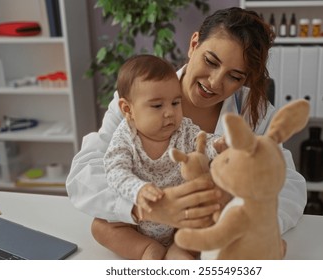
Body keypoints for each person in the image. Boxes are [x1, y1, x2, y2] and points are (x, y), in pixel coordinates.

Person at [66, 7, 307, 259]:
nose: (214, 82)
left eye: (234, 76)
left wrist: (239, 214)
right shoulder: (140, 99)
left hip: (201, 226)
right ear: (194, 45)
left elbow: (288, 185)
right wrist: (144, 208)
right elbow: (85, 172)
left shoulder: (253, 113)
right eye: (211, 62)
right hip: (143, 226)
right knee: (101, 226)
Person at [102, 54, 219, 259]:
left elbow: (203, 142)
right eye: (157, 106)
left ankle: (179, 252)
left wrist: (219, 145)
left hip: (180, 218)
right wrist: (137, 190)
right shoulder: (125, 137)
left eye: (175, 103)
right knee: (100, 225)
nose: (170, 113)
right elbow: (114, 170)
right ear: (128, 109)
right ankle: (147, 250)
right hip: (138, 221)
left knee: (202, 222)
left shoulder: (184, 129)